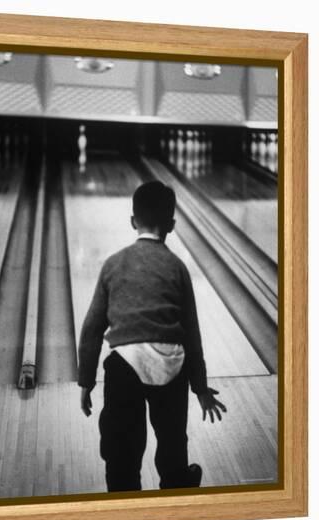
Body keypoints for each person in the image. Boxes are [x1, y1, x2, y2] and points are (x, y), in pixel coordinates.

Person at [78, 180, 226, 492]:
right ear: (171, 225)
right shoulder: (177, 267)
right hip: (171, 367)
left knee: (121, 456)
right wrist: (199, 387)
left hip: (124, 367)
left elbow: (91, 330)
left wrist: (86, 382)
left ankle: (124, 499)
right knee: (172, 445)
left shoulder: (113, 264)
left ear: (133, 221)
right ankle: (177, 484)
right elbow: (192, 335)